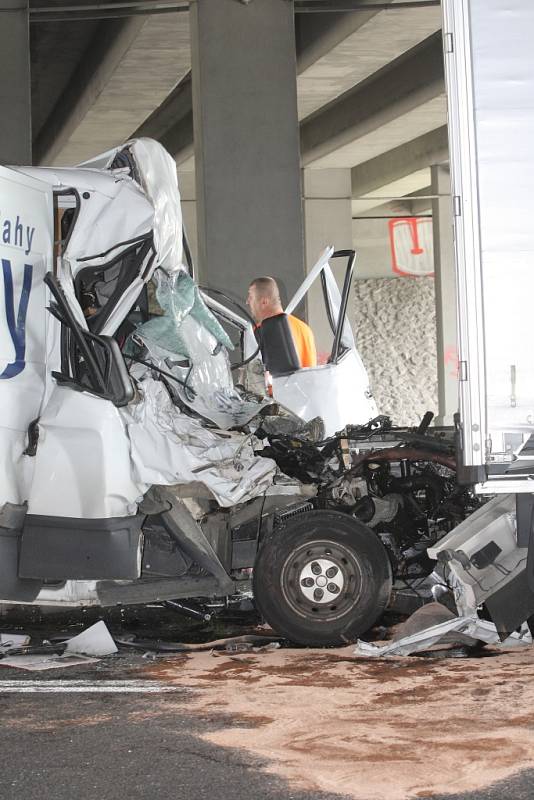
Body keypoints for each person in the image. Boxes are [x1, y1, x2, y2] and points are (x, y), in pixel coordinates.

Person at [246, 276, 317, 368]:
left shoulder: (264, 330)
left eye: (251, 297)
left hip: (281, 382)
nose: (247, 301)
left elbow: (259, 376)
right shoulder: (304, 328)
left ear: (264, 302)